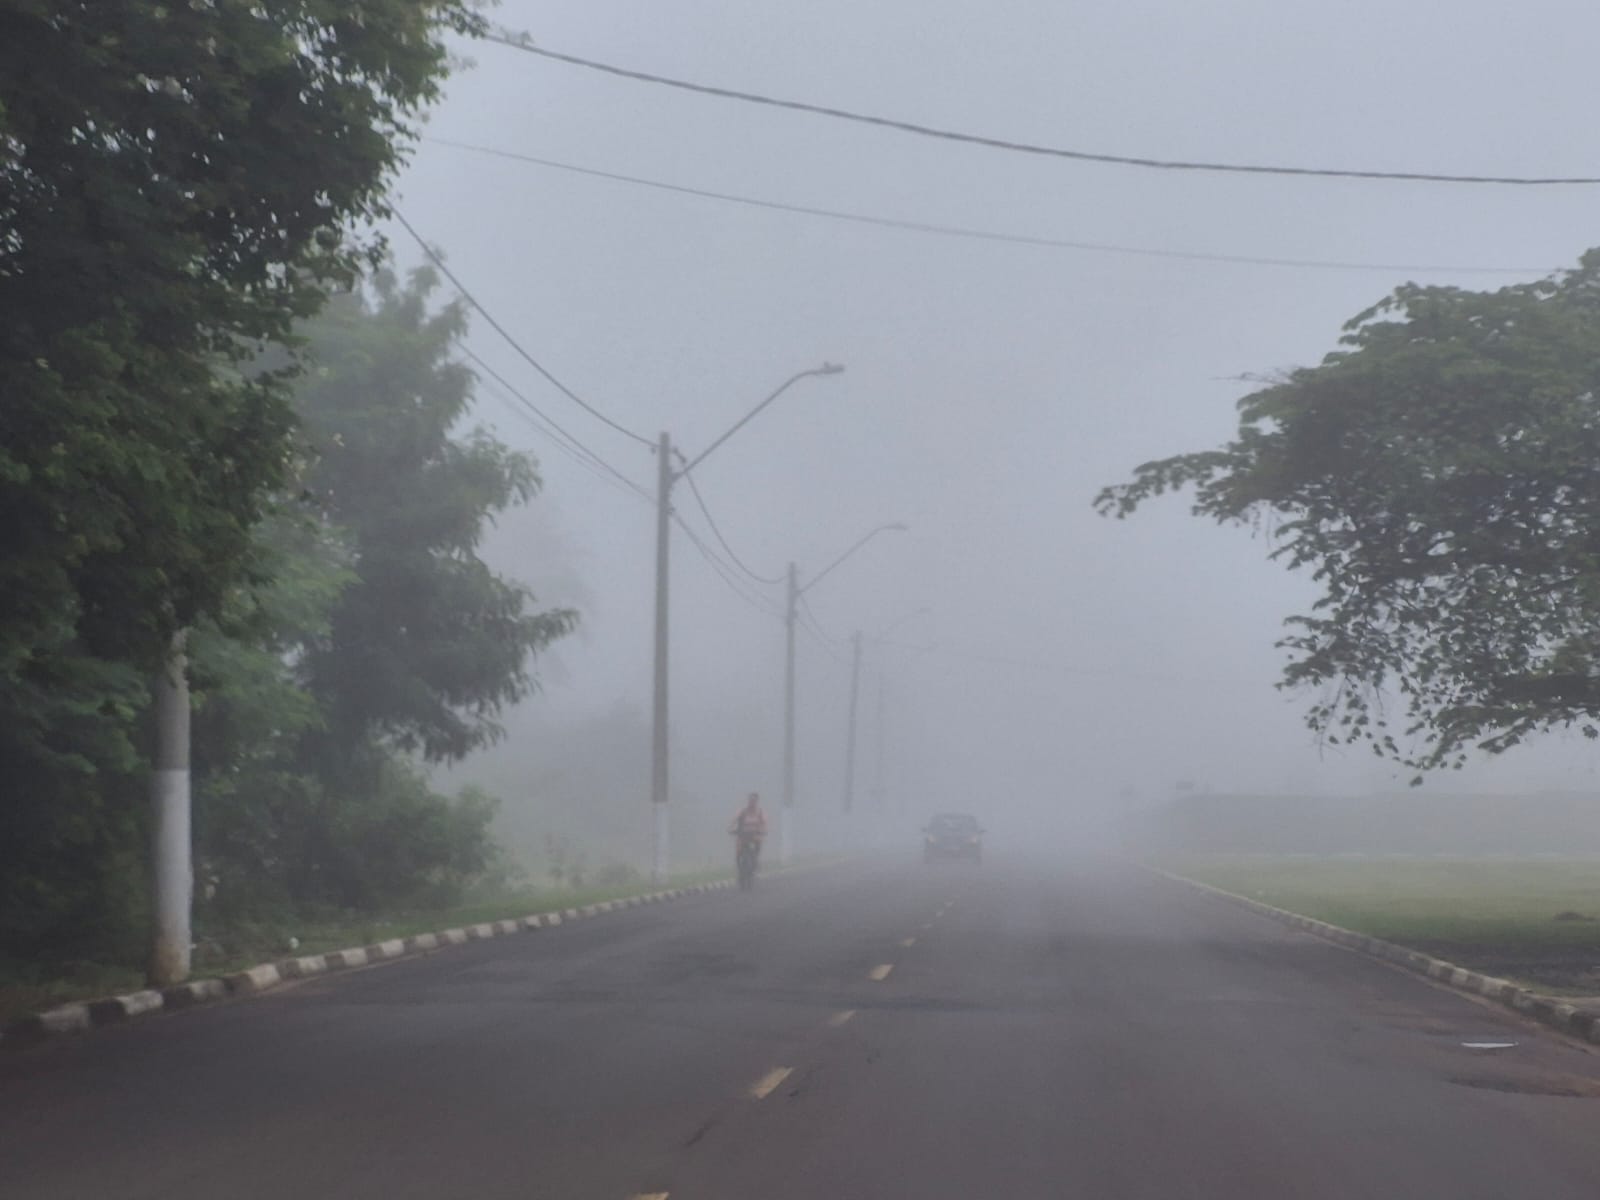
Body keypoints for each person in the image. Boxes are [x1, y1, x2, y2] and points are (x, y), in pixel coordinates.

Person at [729, 792, 768, 877]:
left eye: (754, 800)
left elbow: (764, 822)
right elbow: (734, 819)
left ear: (757, 801)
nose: (751, 802)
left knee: (758, 844)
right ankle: (739, 866)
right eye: (750, 800)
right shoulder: (743, 811)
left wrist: (764, 830)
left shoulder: (760, 812)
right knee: (738, 850)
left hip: (755, 835)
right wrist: (731, 828)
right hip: (743, 835)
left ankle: (755, 862)